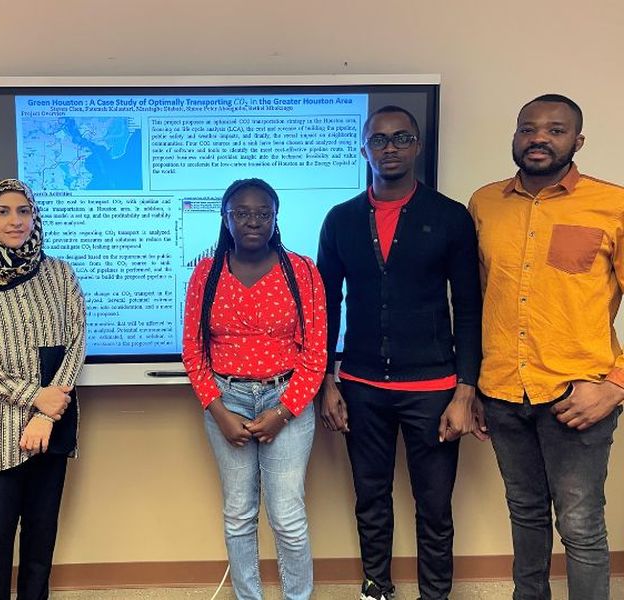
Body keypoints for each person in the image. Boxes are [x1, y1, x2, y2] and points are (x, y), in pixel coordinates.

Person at [317, 106, 484, 600]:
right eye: (379, 140)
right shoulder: (342, 219)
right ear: (363, 148)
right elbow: (328, 304)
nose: (390, 148)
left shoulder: (449, 216)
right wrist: (328, 383)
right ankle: (377, 587)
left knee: (434, 506)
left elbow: (470, 308)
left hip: (434, 391)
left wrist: (464, 392)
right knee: (370, 498)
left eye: (401, 138)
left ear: (416, 146)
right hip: (363, 388)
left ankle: (435, 594)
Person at [468, 94, 624, 600]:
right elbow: (477, 301)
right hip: (504, 391)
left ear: (577, 142)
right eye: (528, 128)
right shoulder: (484, 204)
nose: (539, 138)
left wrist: (616, 385)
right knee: (526, 515)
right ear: (515, 137)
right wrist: (472, 387)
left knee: (580, 525)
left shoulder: (613, 205)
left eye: (556, 130)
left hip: (578, 399)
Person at [182, 178, 327, 600]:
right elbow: (193, 350)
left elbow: (316, 352)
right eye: (241, 213)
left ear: (275, 217)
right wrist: (219, 411)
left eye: (263, 213)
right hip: (226, 403)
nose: (253, 221)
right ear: (226, 219)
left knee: (288, 517)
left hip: (288, 402)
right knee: (239, 515)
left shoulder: (301, 271)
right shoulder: (206, 272)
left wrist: (283, 413)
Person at [0, 178, 86, 600]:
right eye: (3, 211)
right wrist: (33, 397)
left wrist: (46, 412)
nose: (15, 221)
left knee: (40, 544)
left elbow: (75, 342)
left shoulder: (58, 274)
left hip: (50, 429)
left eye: (23, 211)